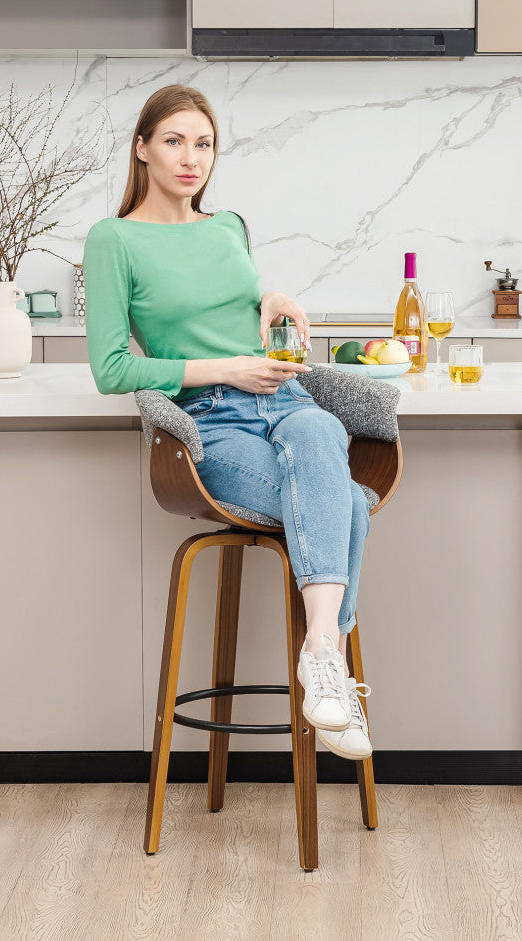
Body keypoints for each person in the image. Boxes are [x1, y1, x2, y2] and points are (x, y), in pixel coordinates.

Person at [83, 84, 372, 762]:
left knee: (321, 432)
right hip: (210, 423)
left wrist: (269, 296)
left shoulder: (228, 227)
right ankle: (329, 662)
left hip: (284, 402)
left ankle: (319, 654)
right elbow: (112, 368)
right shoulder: (113, 239)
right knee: (347, 503)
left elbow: (228, 301)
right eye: (174, 141)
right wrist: (227, 370)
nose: (191, 159)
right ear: (142, 149)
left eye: (204, 144)